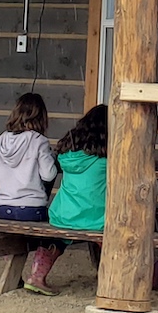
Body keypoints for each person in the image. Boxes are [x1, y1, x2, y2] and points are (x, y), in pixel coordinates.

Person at [0, 93, 61, 293]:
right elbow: (49, 174)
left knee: (16, 235)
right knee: (56, 228)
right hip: (30, 208)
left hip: (4, 208)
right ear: (40, 116)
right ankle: (37, 274)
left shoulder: (2, 139)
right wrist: (50, 157)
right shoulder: (39, 141)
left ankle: (13, 270)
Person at [35, 105, 109, 290]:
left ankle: (36, 276)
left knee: (56, 240)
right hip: (98, 219)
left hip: (63, 215)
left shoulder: (67, 154)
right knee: (118, 237)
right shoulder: (108, 158)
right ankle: (116, 280)